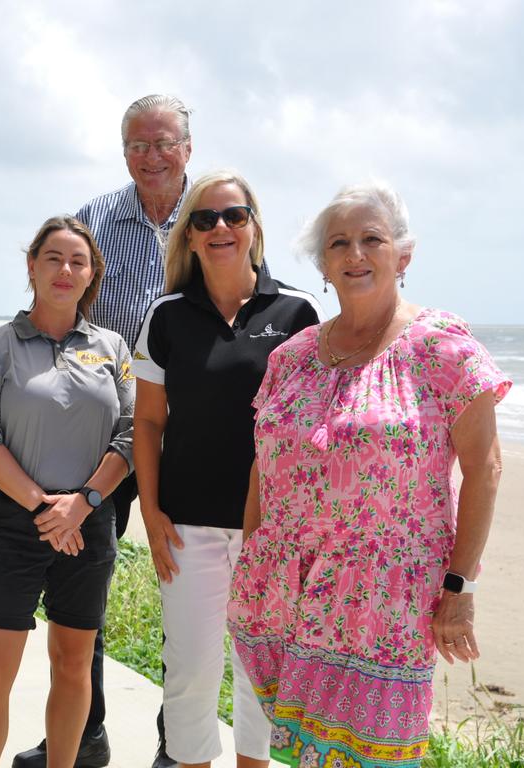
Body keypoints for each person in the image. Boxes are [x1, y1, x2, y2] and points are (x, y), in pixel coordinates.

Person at [227, 182, 510, 768]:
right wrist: (254, 554)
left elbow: (485, 469)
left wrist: (460, 589)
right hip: (285, 591)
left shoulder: (440, 347)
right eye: (339, 243)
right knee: (303, 753)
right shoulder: (293, 356)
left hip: (388, 602)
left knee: (375, 756)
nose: (355, 254)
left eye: (371, 240)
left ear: (402, 256)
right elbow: (263, 462)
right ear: (324, 265)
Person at [13, 92, 194, 768]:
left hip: (193, 438)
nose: (151, 156)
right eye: (137, 145)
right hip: (111, 436)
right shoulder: (93, 220)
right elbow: (57, 306)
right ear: (124, 152)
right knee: (76, 584)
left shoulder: (215, 217)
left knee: (187, 594)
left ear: (187, 148)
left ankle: (180, 747)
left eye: (164, 142)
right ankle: (82, 735)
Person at [133, 171, 322, 768]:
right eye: (205, 219)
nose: (220, 228)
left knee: (260, 673)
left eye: (234, 216)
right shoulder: (165, 316)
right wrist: (151, 509)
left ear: (254, 229)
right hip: (188, 527)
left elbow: (310, 431)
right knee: (189, 671)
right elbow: (147, 424)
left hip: (272, 529)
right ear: (188, 237)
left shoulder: (297, 312)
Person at [0, 216, 134, 768]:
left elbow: (131, 435)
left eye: (77, 261)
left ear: (92, 276)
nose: (65, 270)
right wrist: (43, 506)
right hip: (16, 521)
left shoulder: (113, 346)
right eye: (53, 258)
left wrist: (81, 504)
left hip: (90, 520)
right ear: (32, 266)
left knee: (73, 664)